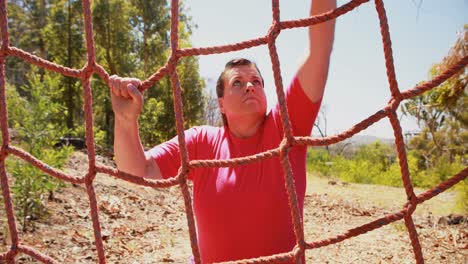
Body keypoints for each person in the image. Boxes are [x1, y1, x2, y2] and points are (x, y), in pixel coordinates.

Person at [109, 0, 336, 263]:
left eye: (256, 82)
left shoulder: (286, 129)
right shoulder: (201, 141)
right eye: (237, 83)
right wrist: (125, 122)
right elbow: (137, 171)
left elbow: (319, 48)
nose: (250, 86)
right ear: (221, 105)